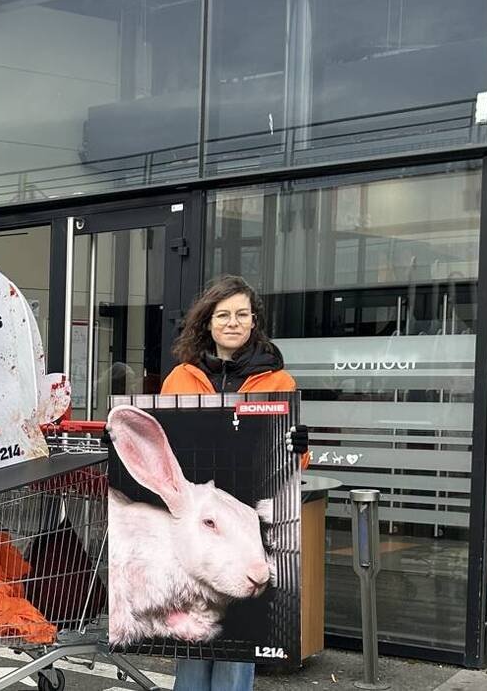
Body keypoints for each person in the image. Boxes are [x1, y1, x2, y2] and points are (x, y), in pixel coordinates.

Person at [160, 275, 306, 691]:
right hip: (202, 527)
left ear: (253, 321)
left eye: (242, 314)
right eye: (222, 314)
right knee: (192, 643)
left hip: (245, 528)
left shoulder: (279, 382)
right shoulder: (180, 379)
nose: (232, 322)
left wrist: (298, 446)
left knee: (238, 645)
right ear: (207, 323)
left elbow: (290, 464)